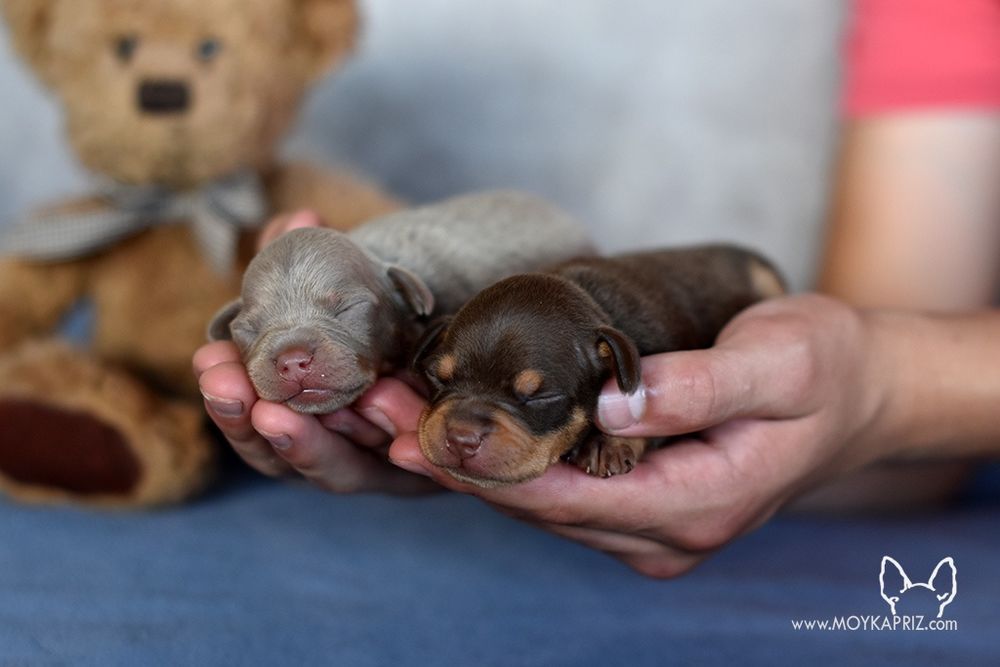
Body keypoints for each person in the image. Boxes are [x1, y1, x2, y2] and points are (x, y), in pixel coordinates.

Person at [193, 0, 1000, 577]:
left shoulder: (620, 330)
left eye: (532, 399)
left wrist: (877, 385)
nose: (465, 429)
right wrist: (878, 391)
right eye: (442, 383)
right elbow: (906, 450)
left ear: (617, 363)